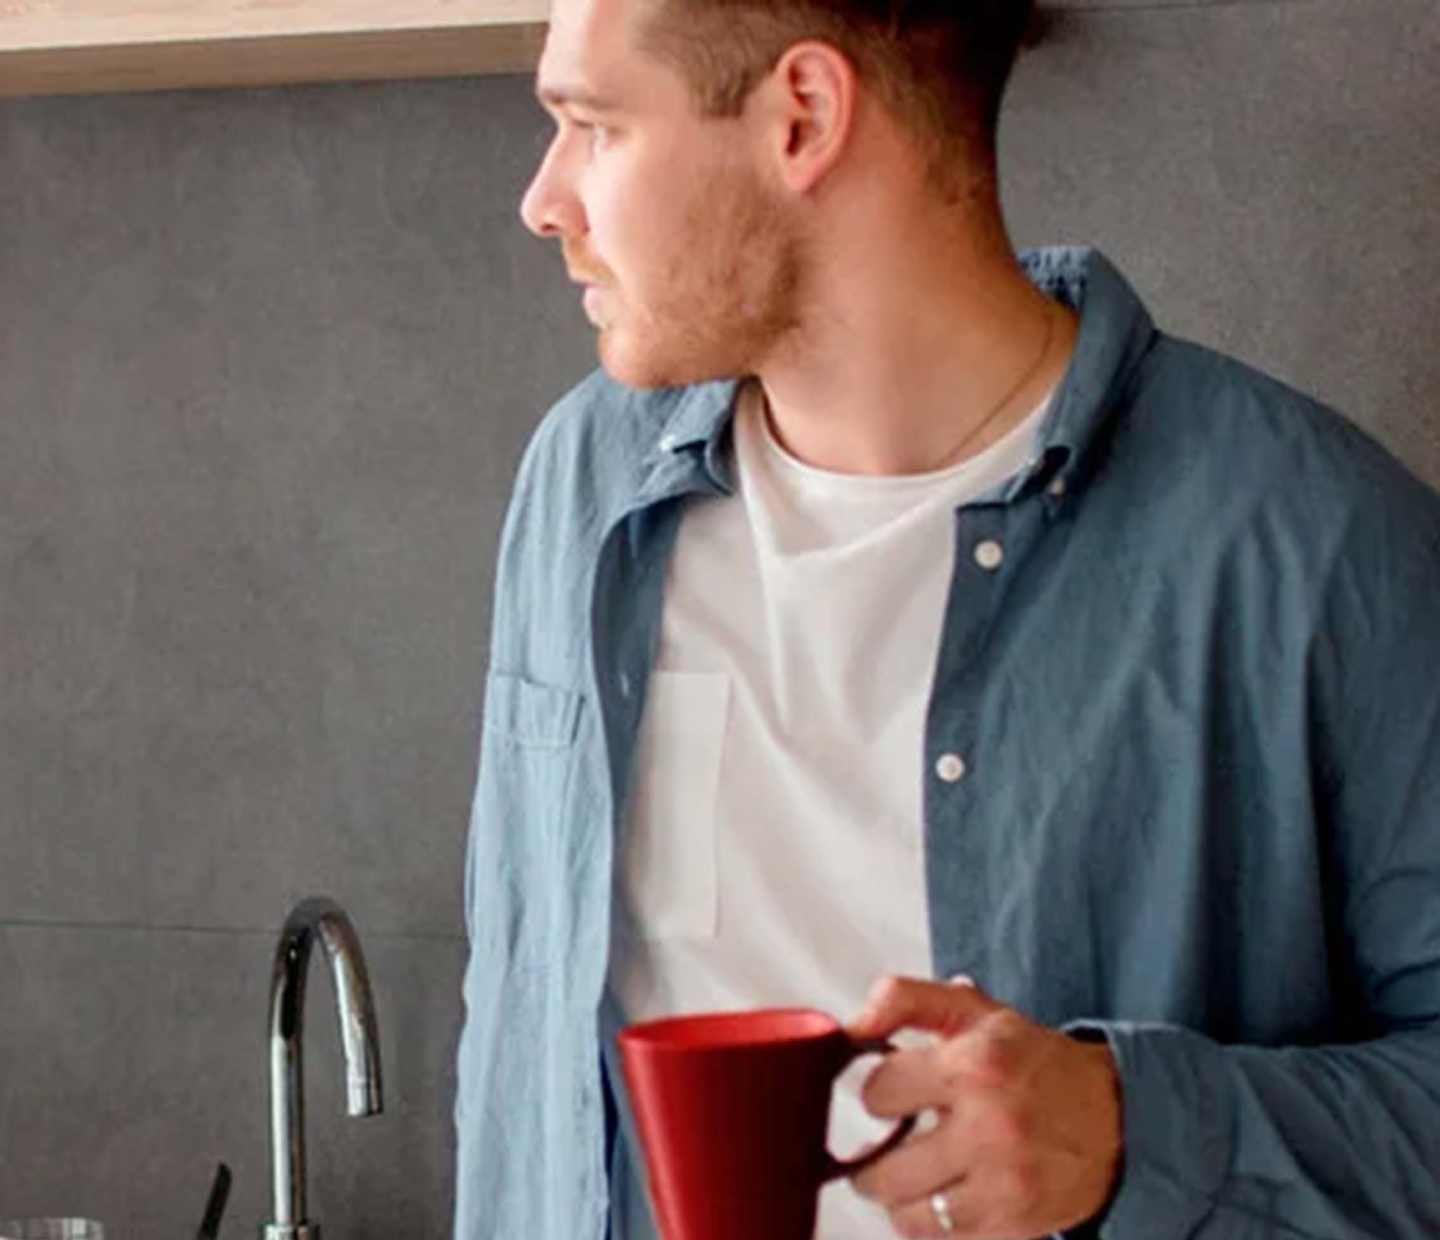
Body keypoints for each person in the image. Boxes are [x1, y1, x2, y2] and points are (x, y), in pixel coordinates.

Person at [452, 0, 1440, 1234]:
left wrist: (1134, 1125)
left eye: (593, 125)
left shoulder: (1310, 543)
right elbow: (521, 1030)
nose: (546, 200)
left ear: (801, 118)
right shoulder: (583, 485)